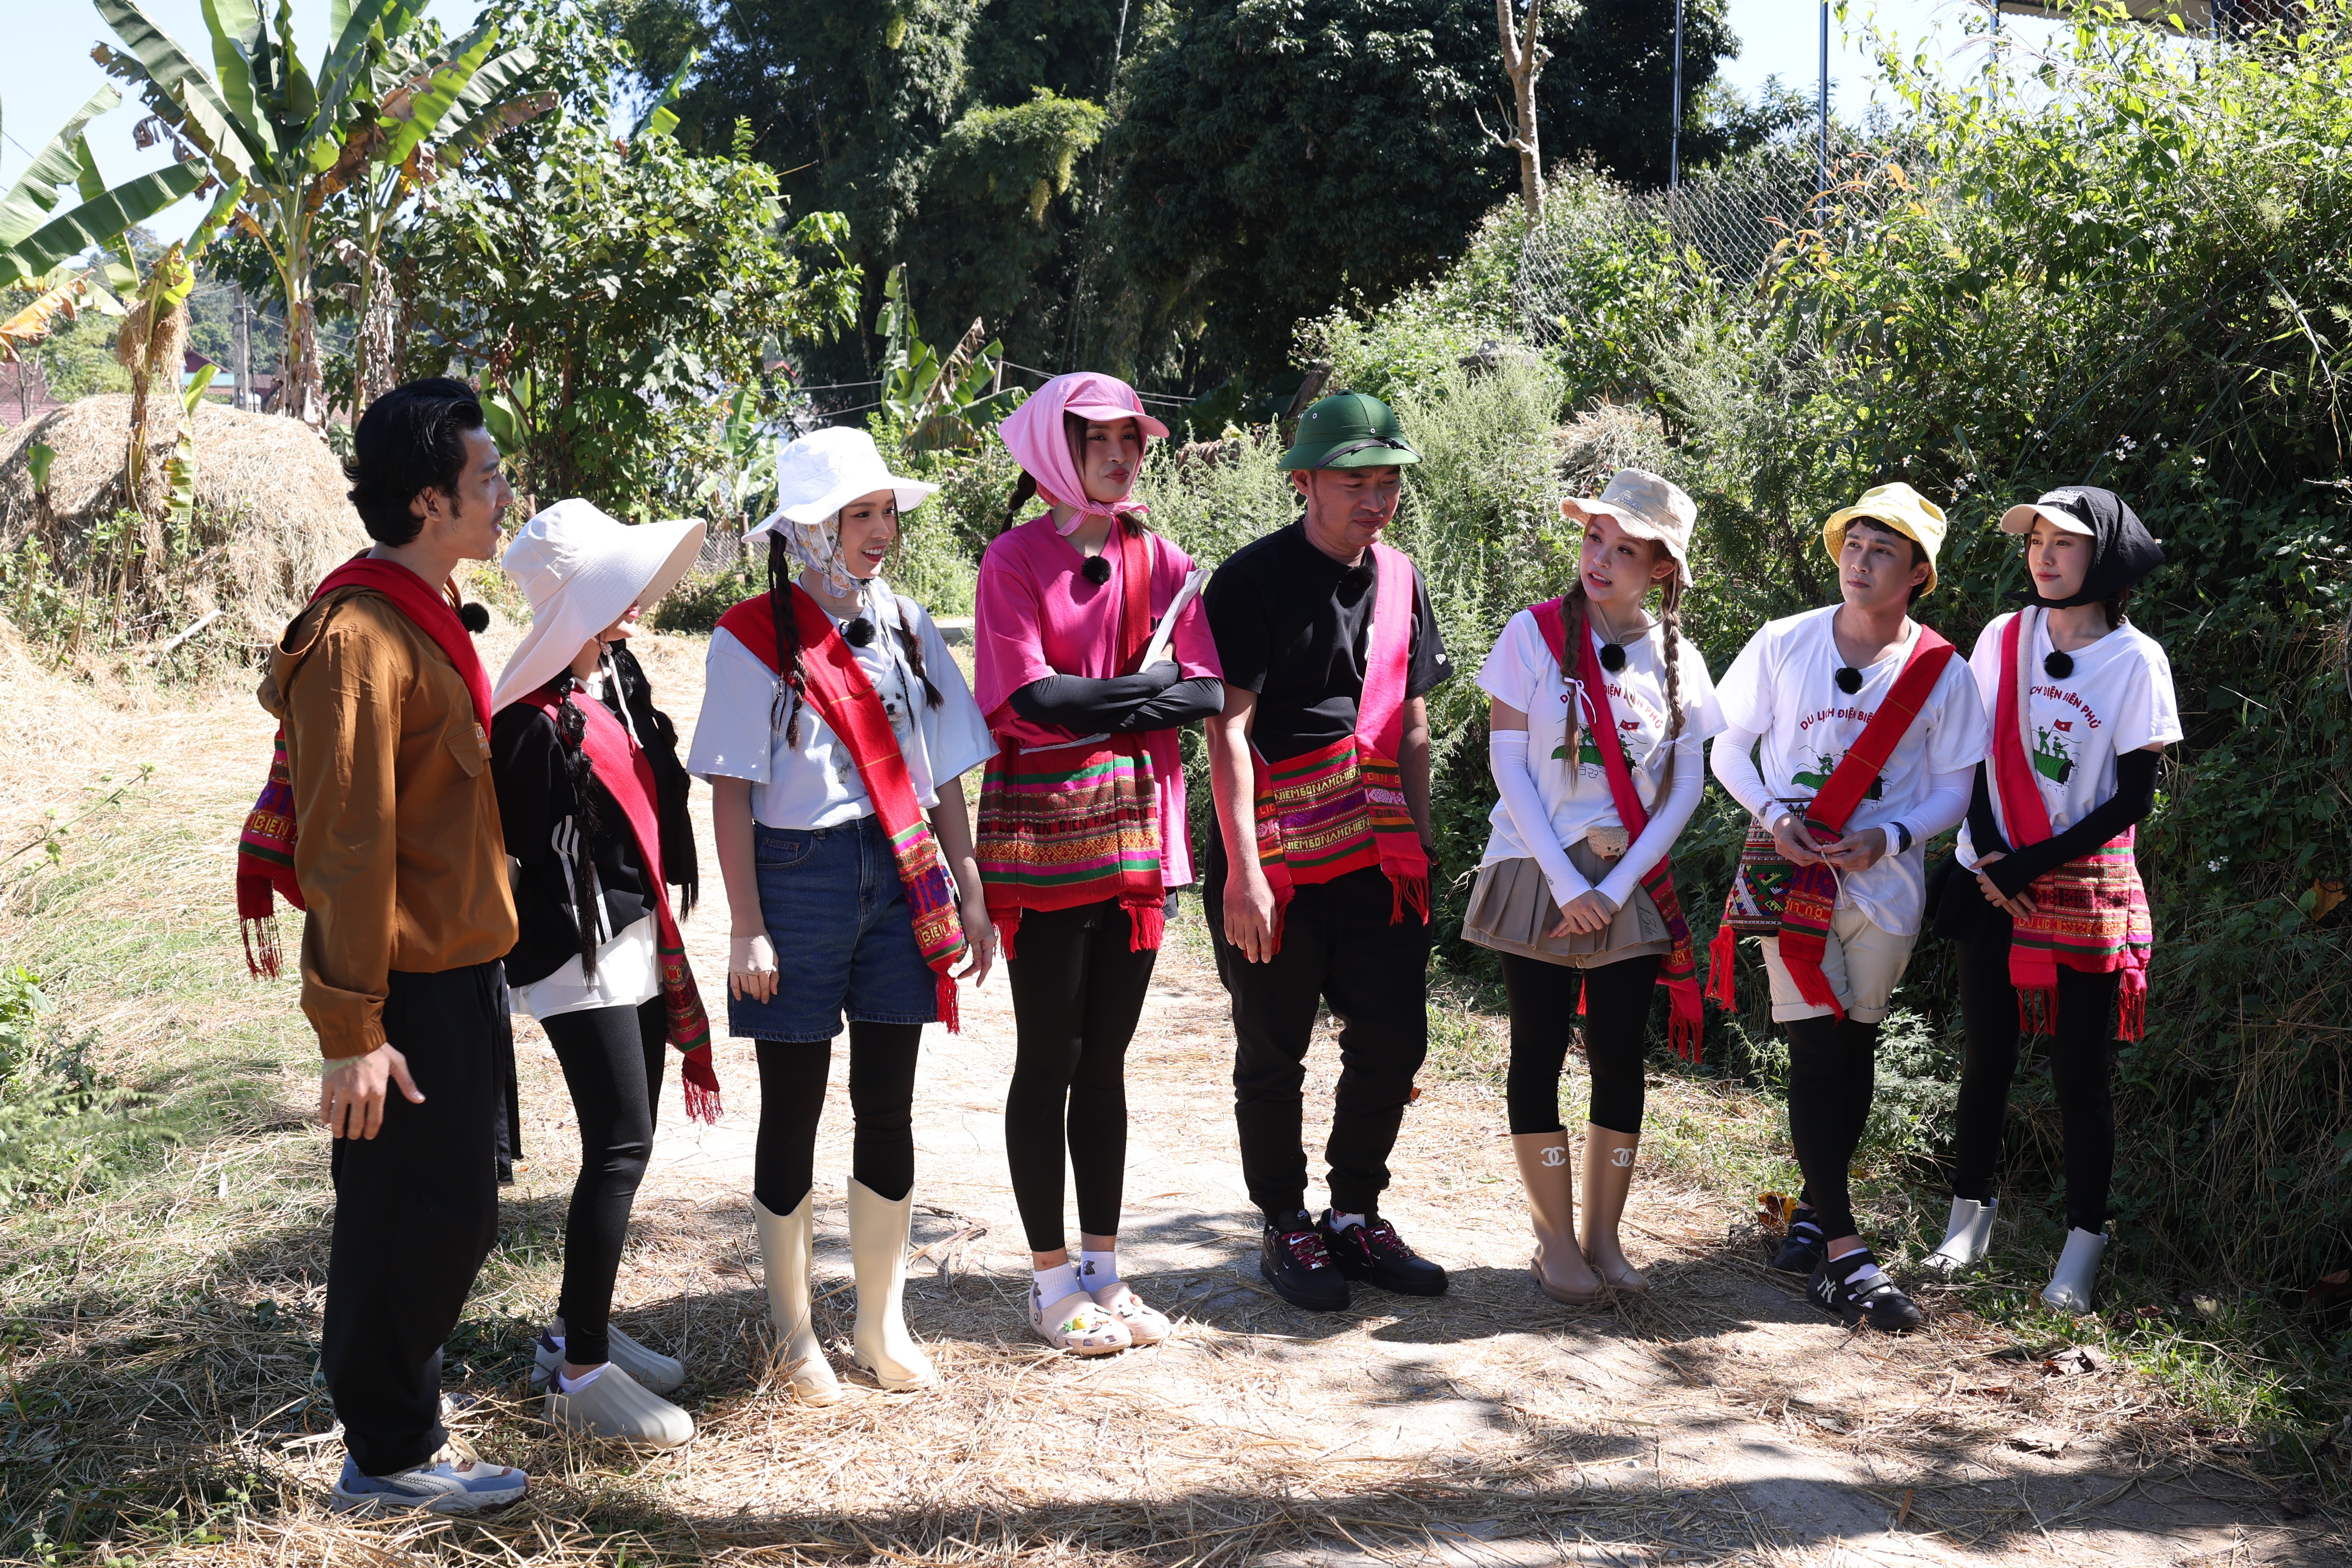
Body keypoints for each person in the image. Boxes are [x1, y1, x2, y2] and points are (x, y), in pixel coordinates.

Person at [245, 378, 529, 1512]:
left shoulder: (426, 611)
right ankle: (390, 1451)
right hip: (403, 988)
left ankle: (399, 1410)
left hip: (461, 971)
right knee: (420, 1210)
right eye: (486, 478)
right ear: (427, 500)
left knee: (450, 1201)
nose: (503, 494)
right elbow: (349, 849)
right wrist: (352, 1029)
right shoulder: (359, 637)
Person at [691, 427, 995, 1401]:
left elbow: (943, 771)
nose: (880, 531)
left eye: (885, 512)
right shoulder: (749, 634)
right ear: (810, 527)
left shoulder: (908, 623)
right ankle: (791, 1332)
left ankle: (880, 1317)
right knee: (794, 1102)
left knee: (889, 1098)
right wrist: (746, 924)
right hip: (799, 875)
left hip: (901, 872)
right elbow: (731, 791)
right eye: (858, 514)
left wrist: (969, 878)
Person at [974, 373, 1224, 1354]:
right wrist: (1141, 690)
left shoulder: (1163, 557)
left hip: (1137, 834)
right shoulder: (1014, 558)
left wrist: (1107, 697)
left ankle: (1106, 1275)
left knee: (1108, 1060)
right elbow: (1028, 697)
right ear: (1053, 449)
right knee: (1051, 1055)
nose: (1123, 457)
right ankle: (1047, 1282)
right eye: (1102, 440)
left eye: (1134, 441)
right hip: (1040, 837)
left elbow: (1202, 695)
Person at [1707, 482, 1987, 1332]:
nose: (1860, 564)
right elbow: (1727, 746)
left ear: (1917, 575)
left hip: (1886, 884)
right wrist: (1777, 816)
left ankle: (1812, 1217)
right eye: (1853, 546)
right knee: (1816, 1049)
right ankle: (1844, 1254)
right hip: (1790, 871)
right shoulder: (1782, 642)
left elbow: (1954, 790)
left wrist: (1892, 835)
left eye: (1882, 552)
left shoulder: (1944, 670)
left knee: (1854, 1043)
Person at [1203, 391, 1455, 1313]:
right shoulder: (1250, 581)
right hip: (1275, 857)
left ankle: (1355, 1214)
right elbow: (1229, 732)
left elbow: (1416, 723)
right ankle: (1285, 1222)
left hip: (1382, 863)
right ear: (1304, 482)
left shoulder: (1401, 579)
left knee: (1394, 1038)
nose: (1375, 500)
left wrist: (1423, 849)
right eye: (1355, 482)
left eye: (1388, 482)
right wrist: (1244, 874)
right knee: (1273, 1049)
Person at [1463, 471, 1722, 1304]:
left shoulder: (1679, 660)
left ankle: (1604, 1239)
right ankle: (1552, 1245)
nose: (1600, 561)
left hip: (1626, 884)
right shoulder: (1531, 635)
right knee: (1536, 1050)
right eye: (1593, 541)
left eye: (1625, 550)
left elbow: (1687, 787)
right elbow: (1509, 766)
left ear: (1662, 571)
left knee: (1618, 1056)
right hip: (1537, 868)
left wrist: (1612, 890)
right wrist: (1569, 877)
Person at [488, 499, 713, 1446]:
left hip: (636, 938)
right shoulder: (527, 722)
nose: (634, 604)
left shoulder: (612, 677)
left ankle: (577, 1331)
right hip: (578, 956)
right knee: (618, 1145)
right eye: (612, 590)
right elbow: (527, 866)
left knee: (632, 1141)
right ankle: (581, 1374)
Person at [1922, 487, 2174, 1311]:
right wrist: (1994, 852)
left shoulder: (2137, 661)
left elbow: (2132, 796)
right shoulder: (2005, 635)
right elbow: (1969, 748)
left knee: (2080, 1075)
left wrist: (2032, 863)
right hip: (1991, 871)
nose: (2044, 555)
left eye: (2064, 541)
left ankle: (2081, 1246)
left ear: (2106, 557)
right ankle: (1968, 1218)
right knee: (1986, 1055)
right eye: (2036, 540)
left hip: (2080, 884)